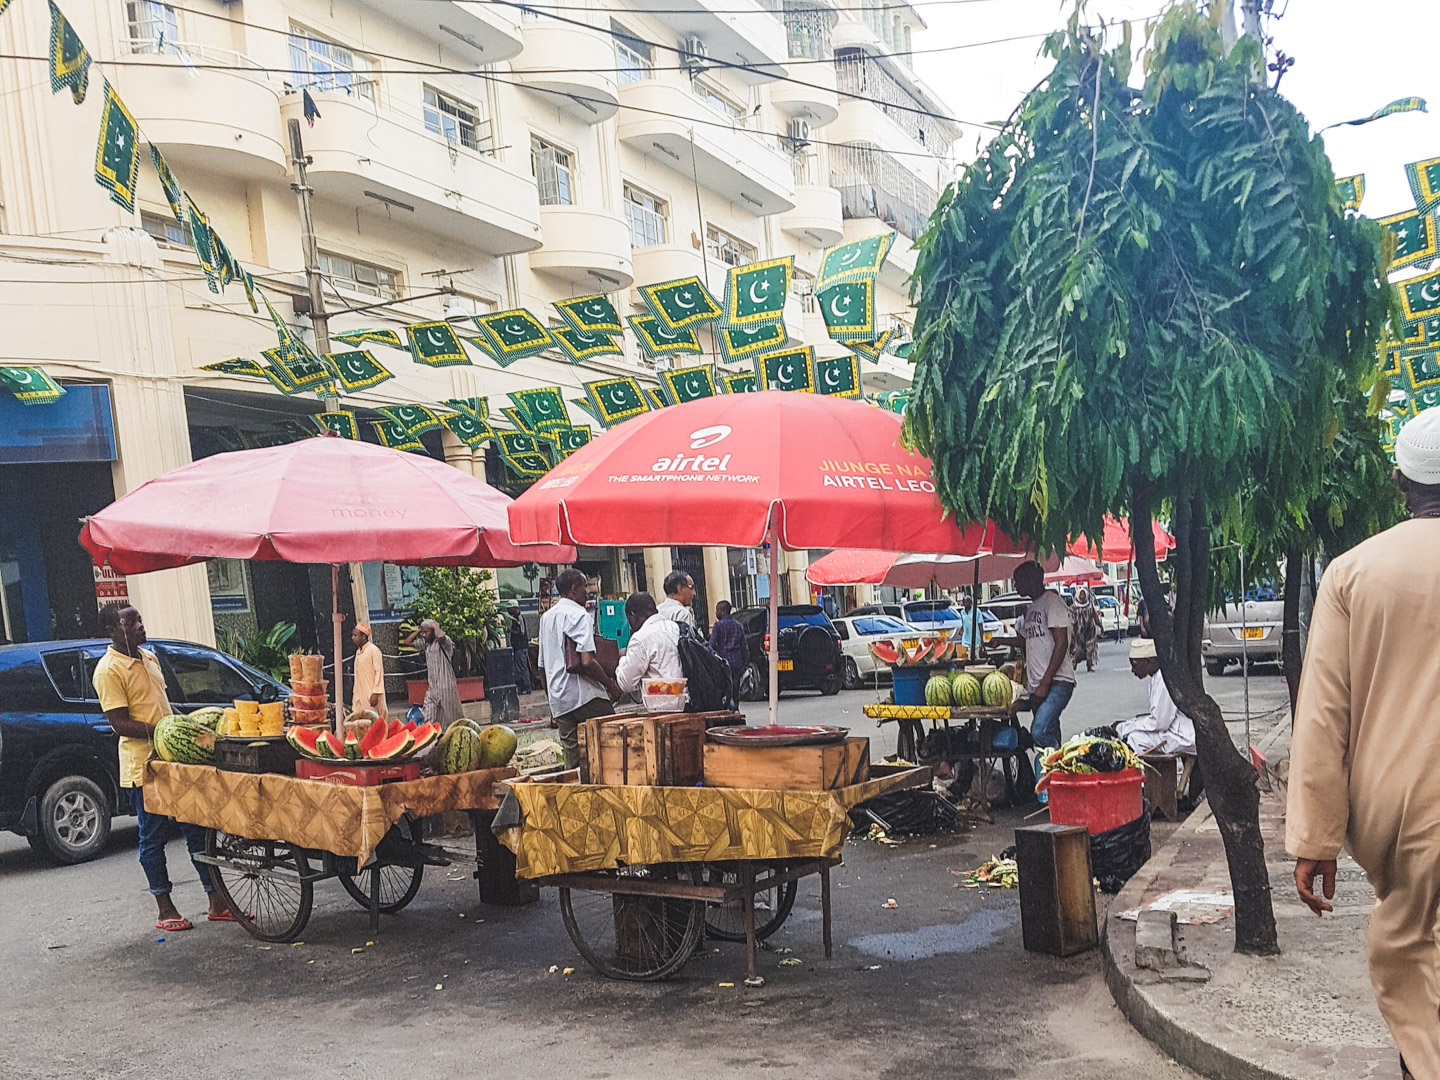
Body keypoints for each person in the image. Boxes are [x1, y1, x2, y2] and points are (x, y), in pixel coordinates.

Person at [1288, 408, 1440, 1079]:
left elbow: (1324, 716)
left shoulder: (1353, 572)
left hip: (1401, 815)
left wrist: (1315, 840)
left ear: (1400, 482)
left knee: (1414, 964)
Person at [91, 603, 229, 931]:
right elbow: (120, 723)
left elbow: (163, 706)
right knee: (152, 836)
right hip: (144, 765)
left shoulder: (149, 657)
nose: (140, 625)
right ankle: (165, 908)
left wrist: (188, 724)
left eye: (139, 619)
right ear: (112, 630)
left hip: (173, 760)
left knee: (196, 828)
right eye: (131, 622)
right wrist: (163, 729)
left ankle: (216, 900)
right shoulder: (108, 670)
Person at [539, 568, 621, 769]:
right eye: (585, 586)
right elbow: (586, 661)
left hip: (559, 698)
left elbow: (541, 665)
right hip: (584, 695)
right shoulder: (580, 615)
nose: (588, 591)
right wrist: (611, 686)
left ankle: (574, 795)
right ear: (574, 589)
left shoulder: (547, 617)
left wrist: (551, 699)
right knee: (613, 742)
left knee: (572, 755)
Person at [994, 560, 1075, 754]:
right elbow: (1026, 640)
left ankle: (1051, 772)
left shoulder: (1052, 601)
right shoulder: (1032, 608)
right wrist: (1000, 641)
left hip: (1057, 682)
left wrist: (1045, 683)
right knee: (1049, 732)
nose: (1015, 586)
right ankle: (1053, 780)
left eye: (1018, 581)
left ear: (1032, 579)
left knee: (1039, 731)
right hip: (1038, 685)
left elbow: (1061, 643)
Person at [1114, 638, 1195, 755]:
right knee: (1131, 732)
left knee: (1134, 738)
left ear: (1148, 662)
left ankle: (1144, 772)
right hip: (1173, 731)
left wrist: (1124, 727)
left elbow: (1159, 723)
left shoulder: (1165, 679)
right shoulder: (1157, 677)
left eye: (1135, 665)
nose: (1133, 670)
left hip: (1182, 736)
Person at [614, 592, 683, 696]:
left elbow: (626, 683)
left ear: (633, 615)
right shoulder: (674, 627)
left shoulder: (640, 638)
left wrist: (623, 659)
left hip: (664, 702)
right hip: (687, 698)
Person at [403, 619, 463, 729]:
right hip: (432, 689)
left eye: (427, 632)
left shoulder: (444, 643)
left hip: (446, 688)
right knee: (428, 717)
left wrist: (436, 627)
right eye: (423, 633)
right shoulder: (425, 644)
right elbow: (407, 642)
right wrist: (419, 630)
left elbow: (441, 637)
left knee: (452, 719)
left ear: (433, 630)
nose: (424, 635)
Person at [708, 600, 749, 708]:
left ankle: (729, 708)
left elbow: (711, 645)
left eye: (717, 610)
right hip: (737, 662)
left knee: (725, 689)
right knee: (735, 688)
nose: (716, 613)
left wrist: (714, 657)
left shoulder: (718, 626)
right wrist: (745, 662)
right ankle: (735, 708)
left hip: (724, 663)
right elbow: (744, 646)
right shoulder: (738, 625)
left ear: (722, 611)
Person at [350, 623, 385, 719]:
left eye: (355, 635)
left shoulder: (374, 650)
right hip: (359, 695)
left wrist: (376, 693)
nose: (353, 638)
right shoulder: (358, 652)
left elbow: (379, 672)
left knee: (374, 721)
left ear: (364, 636)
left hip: (371, 695)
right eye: (353, 635)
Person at [1069, 586, 1101, 673]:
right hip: (1077, 632)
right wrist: (1071, 631)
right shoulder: (1073, 607)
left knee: (1090, 648)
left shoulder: (1090, 606)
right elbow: (1071, 620)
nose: (1082, 596)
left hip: (1089, 631)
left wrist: (1100, 626)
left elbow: (1095, 617)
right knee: (1076, 650)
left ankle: (1089, 665)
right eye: (1081, 594)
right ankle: (1073, 666)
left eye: (1084, 594)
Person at [509, 606, 532, 696]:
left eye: (510, 609)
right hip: (517, 647)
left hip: (521, 647)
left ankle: (527, 687)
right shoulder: (514, 618)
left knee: (522, 667)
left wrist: (511, 631)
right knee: (519, 668)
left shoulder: (519, 618)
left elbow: (522, 632)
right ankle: (522, 687)